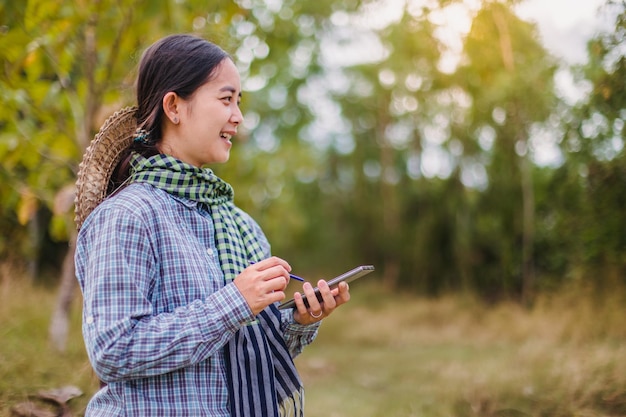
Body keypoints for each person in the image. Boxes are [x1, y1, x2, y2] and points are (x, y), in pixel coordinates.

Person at [74, 34, 351, 416]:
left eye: (239, 102)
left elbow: (246, 362)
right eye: (226, 99)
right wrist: (234, 302)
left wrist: (299, 321)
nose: (238, 116)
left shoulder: (240, 225)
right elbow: (114, 351)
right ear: (174, 106)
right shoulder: (129, 216)